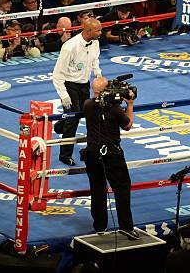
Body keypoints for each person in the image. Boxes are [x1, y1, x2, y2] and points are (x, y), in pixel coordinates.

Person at [81, 76, 138, 240]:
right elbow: (128, 125)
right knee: (122, 188)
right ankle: (126, 227)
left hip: (92, 154)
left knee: (97, 189)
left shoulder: (88, 104)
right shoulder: (114, 109)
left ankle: (100, 226)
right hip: (111, 154)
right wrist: (130, 104)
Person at [52, 18, 102, 166]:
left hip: (84, 84)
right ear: (88, 31)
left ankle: (60, 125)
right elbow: (57, 74)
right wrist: (63, 94)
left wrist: (98, 74)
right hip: (69, 85)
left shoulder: (95, 42)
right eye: (98, 30)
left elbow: (95, 60)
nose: (101, 33)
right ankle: (65, 155)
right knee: (73, 120)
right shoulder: (69, 47)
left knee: (80, 115)